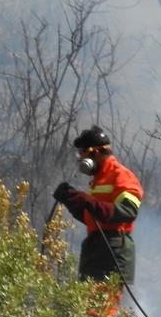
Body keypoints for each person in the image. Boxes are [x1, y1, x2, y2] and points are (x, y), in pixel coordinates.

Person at [52, 126, 143, 296]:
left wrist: (87, 200)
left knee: (101, 309)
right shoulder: (99, 180)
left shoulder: (122, 176)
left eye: (82, 153)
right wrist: (73, 201)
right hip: (96, 250)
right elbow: (95, 218)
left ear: (96, 152)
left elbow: (127, 212)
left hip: (113, 252)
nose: (80, 159)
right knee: (85, 306)